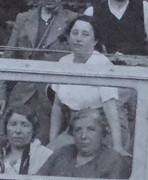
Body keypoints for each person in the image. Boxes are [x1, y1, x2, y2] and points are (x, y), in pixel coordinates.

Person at [4, 0, 80, 131]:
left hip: (55, 99)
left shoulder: (74, 20)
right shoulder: (23, 19)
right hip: (22, 95)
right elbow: (8, 57)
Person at [48, 17, 127, 154]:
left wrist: (117, 145)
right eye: (75, 33)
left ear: (95, 41)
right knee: (48, 155)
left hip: (103, 128)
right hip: (74, 128)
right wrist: (52, 140)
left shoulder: (102, 64)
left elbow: (110, 108)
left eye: (85, 35)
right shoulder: (64, 62)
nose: (78, 38)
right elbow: (57, 106)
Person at [37, 106, 132, 180]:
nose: (83, 136)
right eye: (78, 130)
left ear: (103, 132)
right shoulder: (60, 153)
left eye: (91, 130)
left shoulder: (115, 161)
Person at [0, 106, 55, 175]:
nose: (18, 131)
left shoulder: (45, 156)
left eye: (24, 125)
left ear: (33, 129)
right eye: (13, 124)